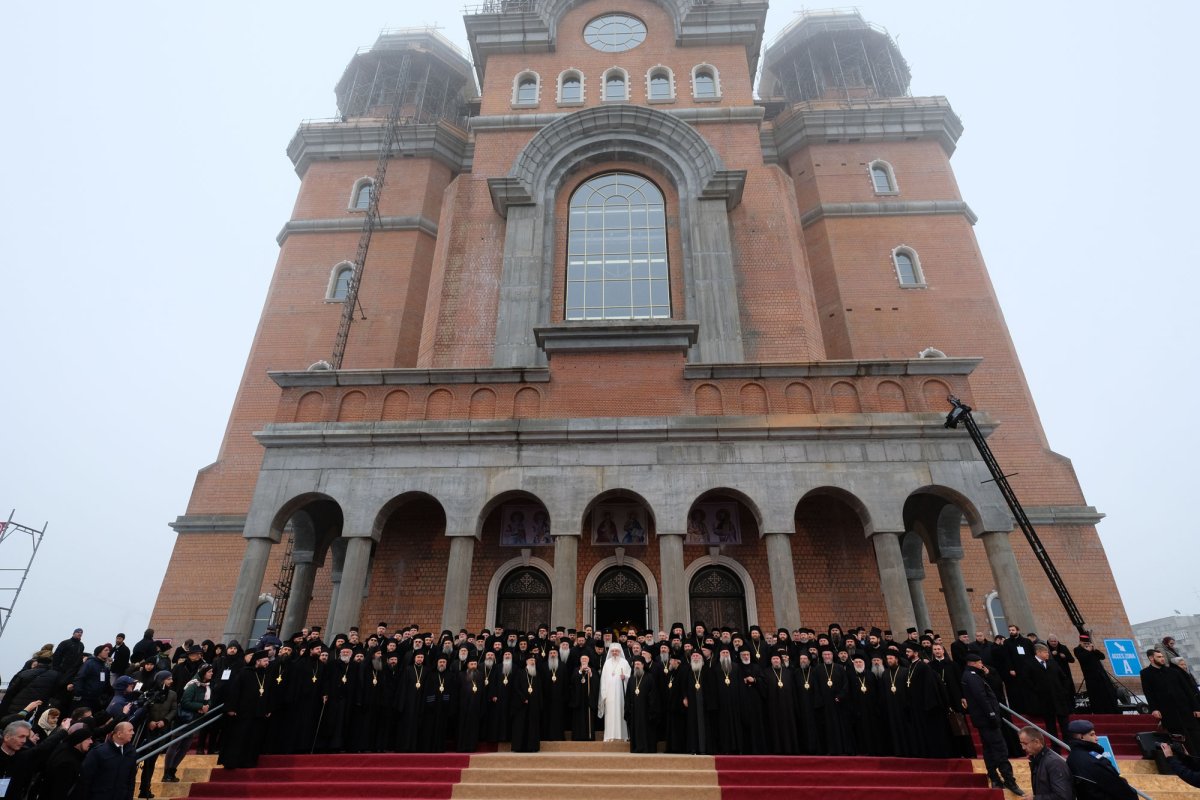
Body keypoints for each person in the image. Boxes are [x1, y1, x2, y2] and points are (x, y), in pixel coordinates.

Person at [963, 653, 1025, 795]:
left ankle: (995, 777)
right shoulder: (971, 676)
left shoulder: (974, 675)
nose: (981, 665)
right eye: (979, 663)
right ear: (972, 663)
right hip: (987, 719)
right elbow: (981, 697)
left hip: (983, 719)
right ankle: (1009, 780)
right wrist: (991, 714)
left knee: (989, 749)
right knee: (1000, 749)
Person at [1141, 648, 1200, 754]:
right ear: (1151, 658)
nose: (1162, 659)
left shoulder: (1174, 671)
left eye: (1163, 656)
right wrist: (1154, 709)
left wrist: (1196, 708)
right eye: (1159, 657)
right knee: (1178, 738)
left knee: (1195, 735)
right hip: (1168, 712)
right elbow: (1149, 693)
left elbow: (1187, 690)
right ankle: (1189, 762)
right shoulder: (1146, 673)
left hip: (1185, 710)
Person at [1064, 719, 1137, 800]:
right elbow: (1116, 786)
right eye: (1092, 735)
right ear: (1082, 737)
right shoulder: (1092, 760)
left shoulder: (1071, 758)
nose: (1096, 738)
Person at [77, 721, 137, 800]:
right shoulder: (98, 752)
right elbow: (86, 779)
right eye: (130, 730)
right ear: (119, 734)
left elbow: (131, 780)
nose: (133, 733)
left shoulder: (132, 752)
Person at [1028, 642, 1073, 747]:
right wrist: (1038, 692)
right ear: (1038, 652)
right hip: (1045, 701)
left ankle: (1069, 746)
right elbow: (1028, 682)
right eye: (1045, 652)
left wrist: (1064, 691)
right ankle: (1055, 747)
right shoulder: (1030, 664)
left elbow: (1064, 678)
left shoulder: (1053, 663)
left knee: (1065, 725)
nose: (1048, 654)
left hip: (1059, 700)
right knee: (1051, 726)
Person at [1019, 725, 1073, 800]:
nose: (1023, 748)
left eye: (1025, 744)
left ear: (1037, 742)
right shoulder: (1037, 759)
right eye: (1021, 744)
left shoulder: (1054, 763)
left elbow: (1062, 797)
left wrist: (1035, 798)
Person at [1073, 635, 1118, 714]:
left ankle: (1112, 709)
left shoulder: (1092, 649)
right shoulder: (1077, 650)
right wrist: (1088, 651)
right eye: (1085, 643)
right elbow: (1082, 658)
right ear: (1080, 642)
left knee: (1108, 693)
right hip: (1091, 677)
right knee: (1096, 696)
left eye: (1088, 643)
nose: (1086, 644)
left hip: (1101, 675)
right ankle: (1099, 711)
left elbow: (1102, 657)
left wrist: (1094, 649)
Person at [598, 644, 630, 741]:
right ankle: (609, 736)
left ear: (620, 652)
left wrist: (625, 677)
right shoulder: (607, 663)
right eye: (613, 651)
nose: (615, 653)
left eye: (616, 651)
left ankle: (622, 736)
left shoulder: (624, 663)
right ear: (610, 652)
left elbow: (629, 676)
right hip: (610, 695)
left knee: (621, 714)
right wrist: (604, 694)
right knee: (610, 715)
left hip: (621, 695)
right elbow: (603, 679)